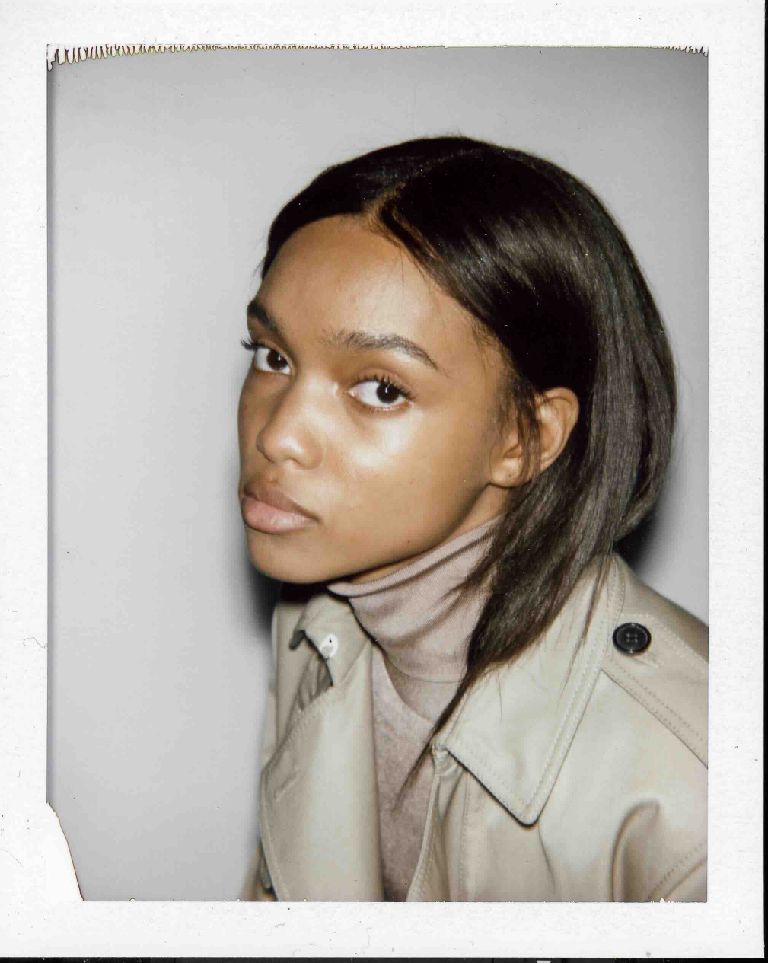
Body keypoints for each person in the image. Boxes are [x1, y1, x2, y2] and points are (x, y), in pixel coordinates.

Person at [236, 136, 707, 902]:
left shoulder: (699, 786)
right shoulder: (320, 626)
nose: (278, 434)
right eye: (273, 357)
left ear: (526, 437)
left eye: (381, 388)